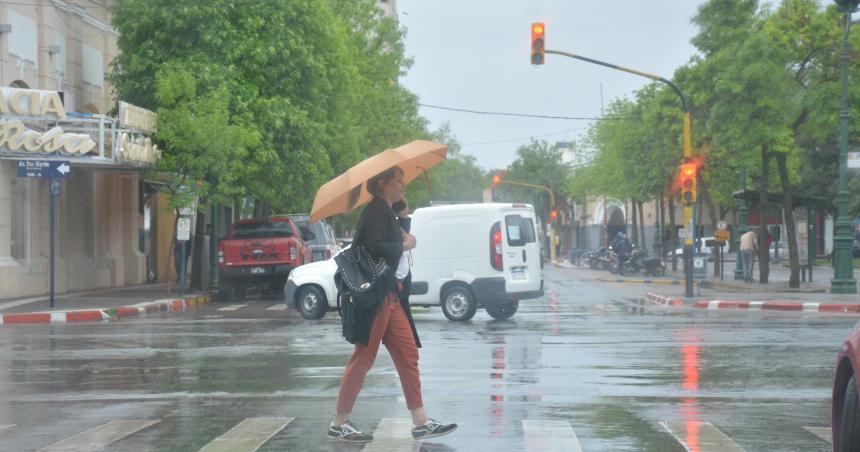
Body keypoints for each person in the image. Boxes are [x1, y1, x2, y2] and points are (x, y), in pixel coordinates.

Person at [329, 166, 457, 443]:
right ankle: (340, 423)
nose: (403, 185)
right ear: (383, 183)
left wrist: (403, 216)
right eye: (399, 181)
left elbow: (394, 236)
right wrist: (406, 245)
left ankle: (421, 421)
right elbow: (374, 246)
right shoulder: (374, 211)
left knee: (408, 353)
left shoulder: (385, 211)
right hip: (377, 297)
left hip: (392, 296)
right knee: (363, 357)